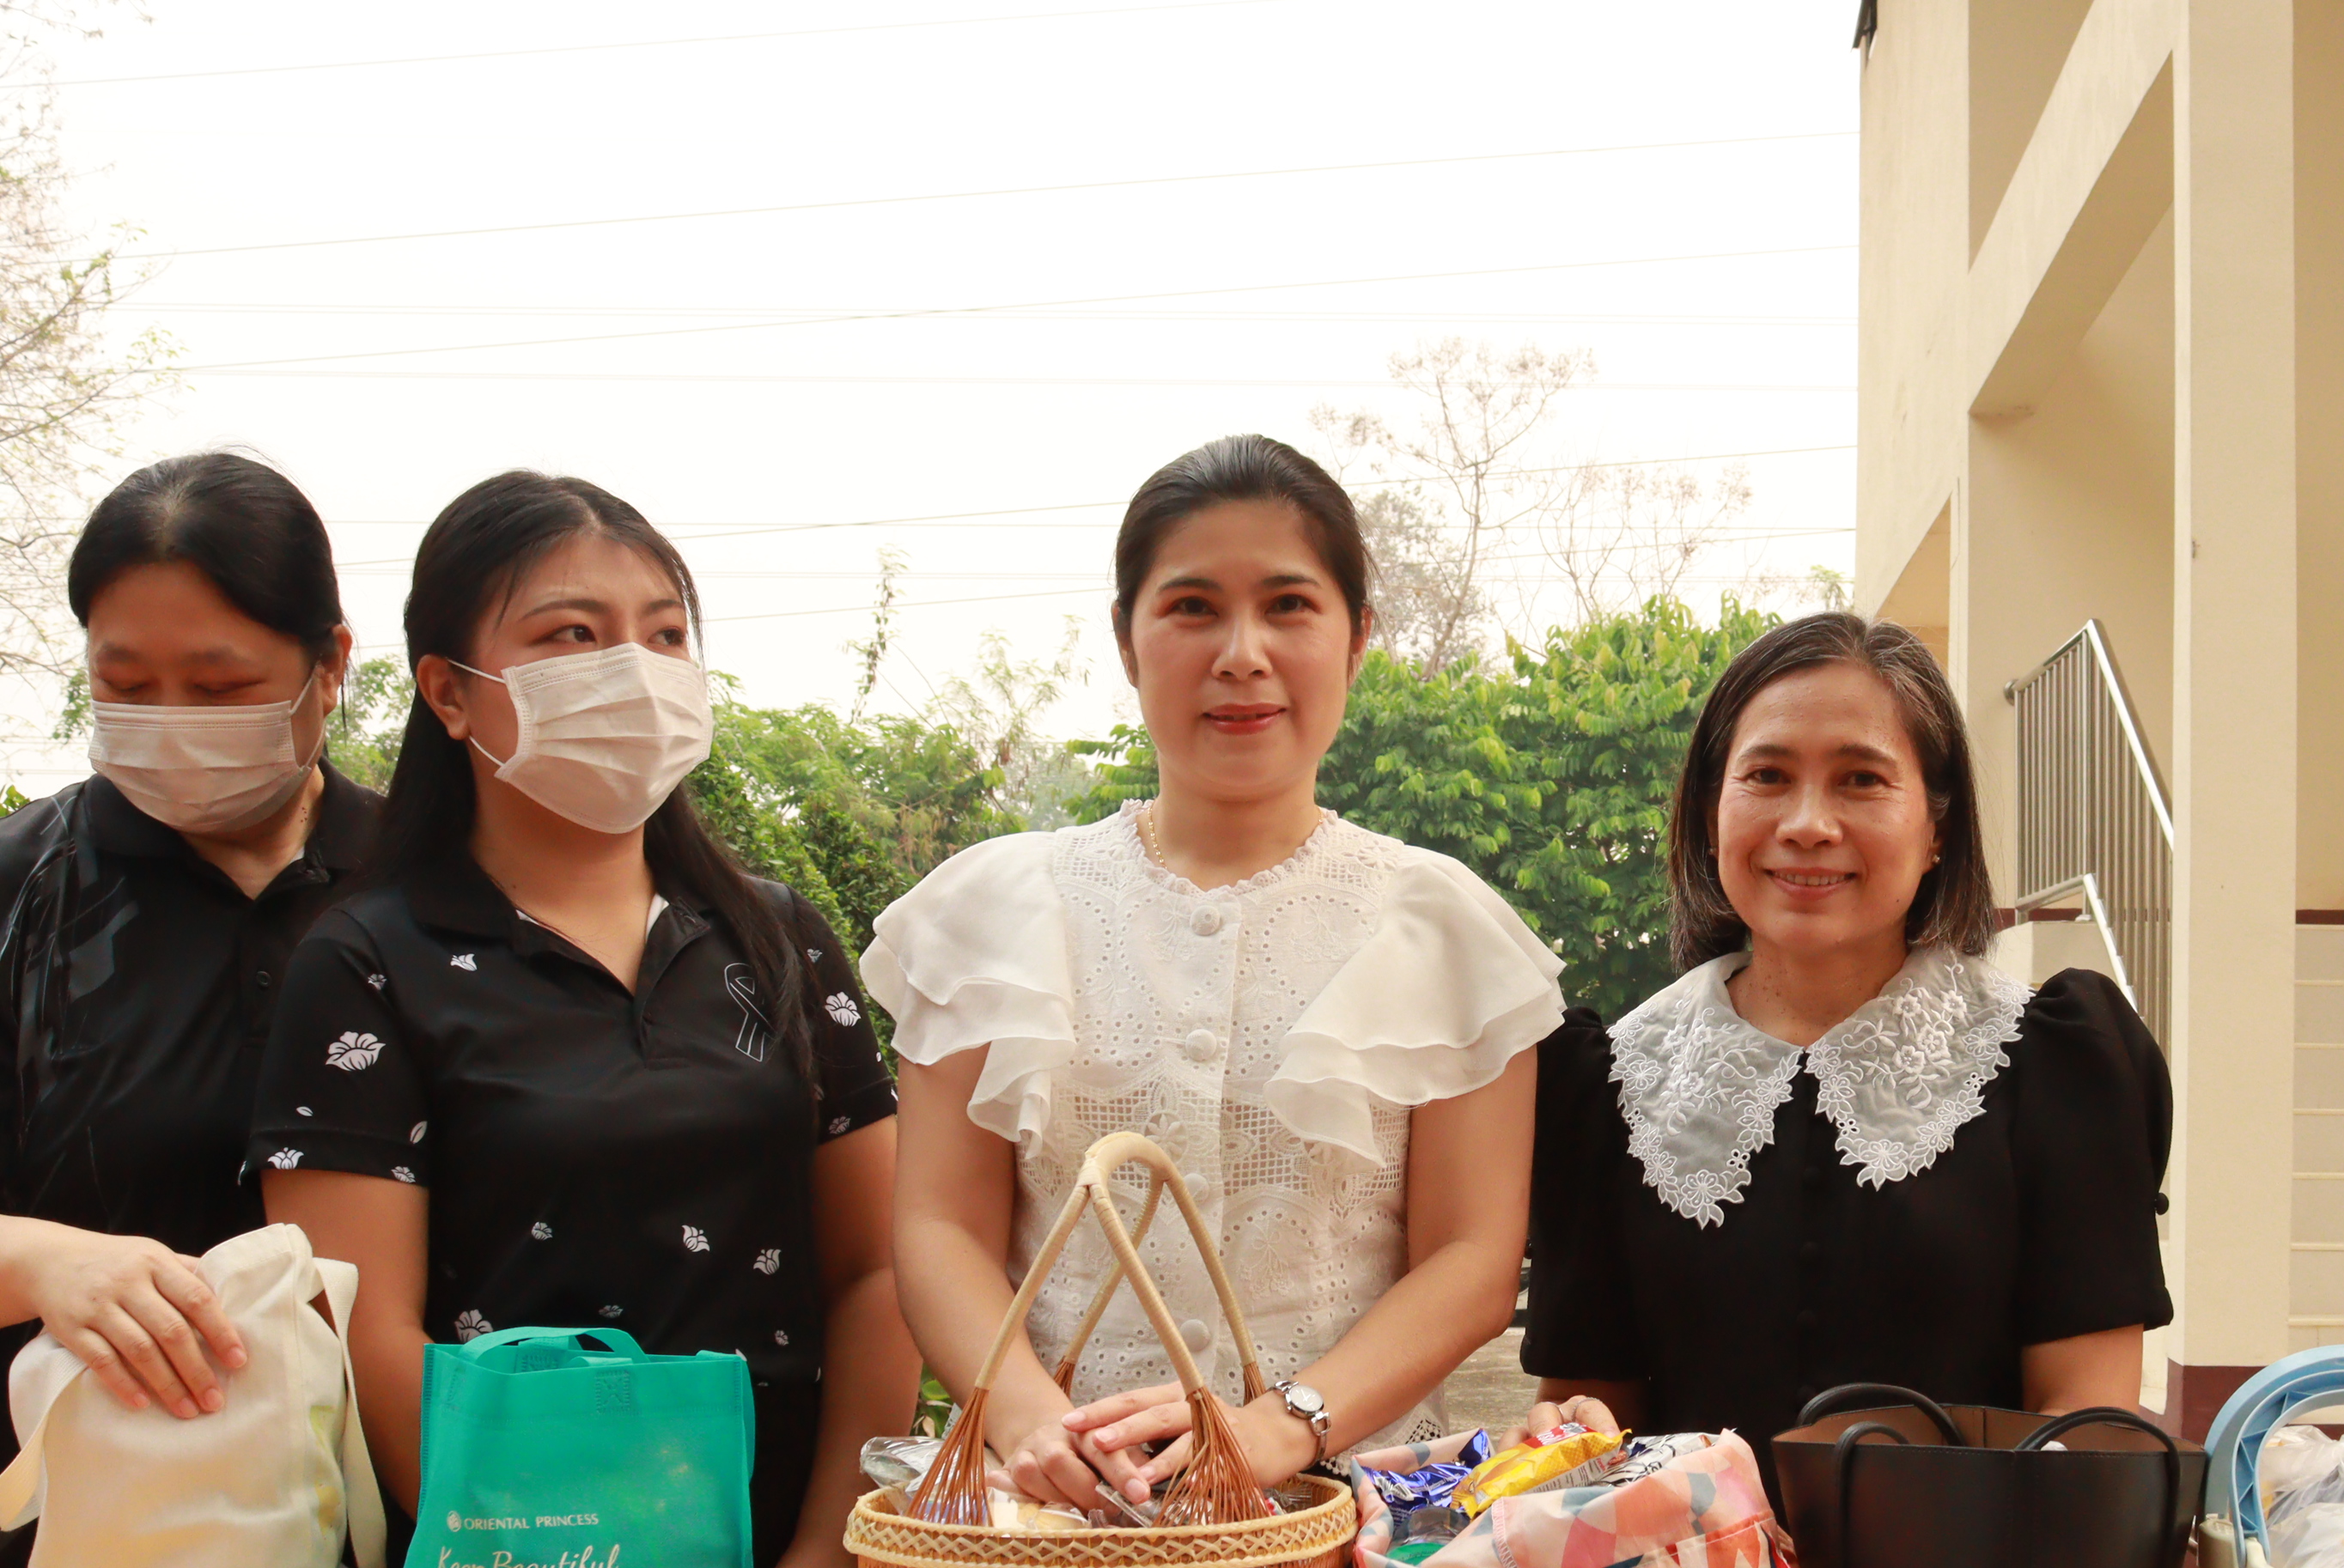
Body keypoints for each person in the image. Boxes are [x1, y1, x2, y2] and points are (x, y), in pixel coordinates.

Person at [252, 471, 911, 1568]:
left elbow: (878, 1267)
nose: (635, 671)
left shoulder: (774, 937)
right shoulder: (368, 961)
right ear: (448, 693)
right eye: (573, 634)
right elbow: (357, 1321)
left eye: (664, 633)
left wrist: (839, 1554)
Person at [868, 434, 1563, 1511]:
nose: (1243, 654)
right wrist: (1032, 1424)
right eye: (1193, 607)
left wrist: (1279, 1426)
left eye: (1289, 606)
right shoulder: (993, 913)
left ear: (1357, 638)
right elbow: (938, 1227)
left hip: (1351, 1527)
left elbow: (1471, 1258)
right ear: (1127, 638)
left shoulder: (1442, 928)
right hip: (1054, 1529)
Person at [1525, 611, 2173, 1473]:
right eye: (1767, 775)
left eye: (1861, 780)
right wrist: (1571, 1438)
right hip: (1686, 1561)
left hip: (1979, 1555)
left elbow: (2084, 1420)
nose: (1807, 823)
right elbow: (1591, 1419)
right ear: (1711, 811)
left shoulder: (2056, 1062)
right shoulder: (1608, 1085)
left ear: (1938, 827)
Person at [0, 453, 380, 1568]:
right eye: (125, 683)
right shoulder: (21, 898)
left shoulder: (439, 894)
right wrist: (41, 1257)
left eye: (219, 688)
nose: (171, 719)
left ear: (330, 663)